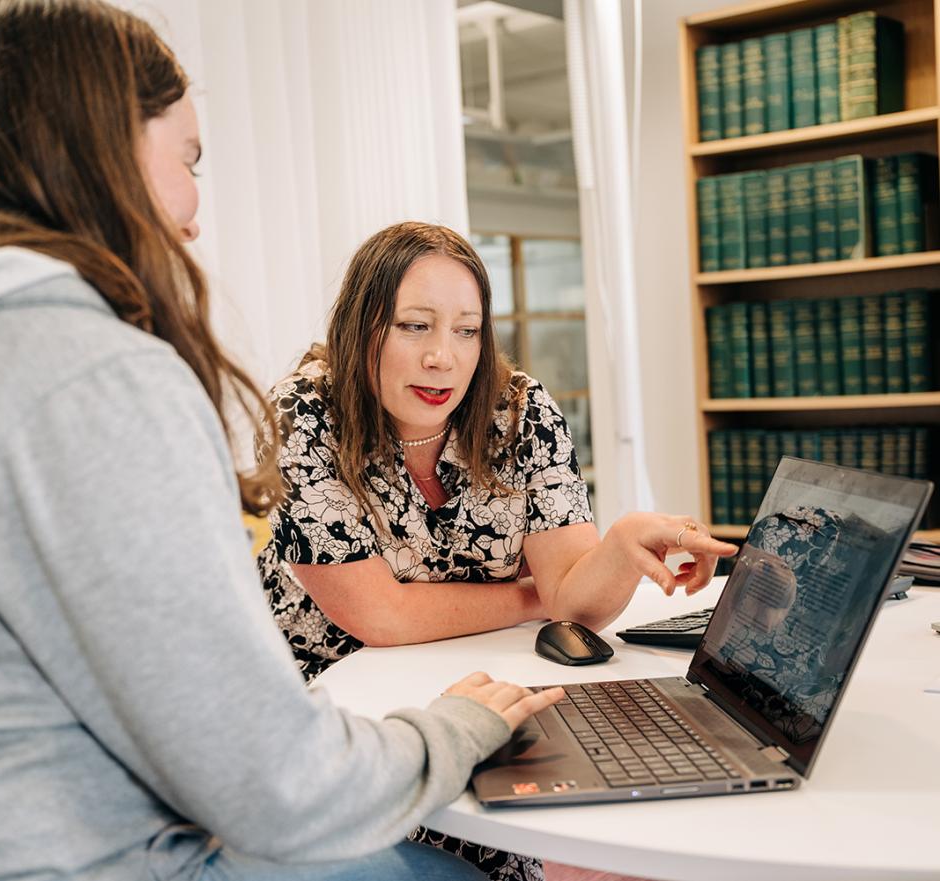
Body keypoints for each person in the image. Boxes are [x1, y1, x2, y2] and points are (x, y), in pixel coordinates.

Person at [0, 3, 564, 880]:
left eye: (464, 329)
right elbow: (278, 786)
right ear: (100, 150)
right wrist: (456, 728)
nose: (193, 215)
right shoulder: (87, 379)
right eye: (188, 160)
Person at [257, 221, 739, 881]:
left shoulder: (522, 412)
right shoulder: (305, 413)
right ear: (359, 326)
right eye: (414, 326)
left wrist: (620, 547)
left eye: (467, 329)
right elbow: (379, 616)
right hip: (340, 711)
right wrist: (537, 596)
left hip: (474, 676)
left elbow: (579, 604)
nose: (443, 358)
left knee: (628, 828)